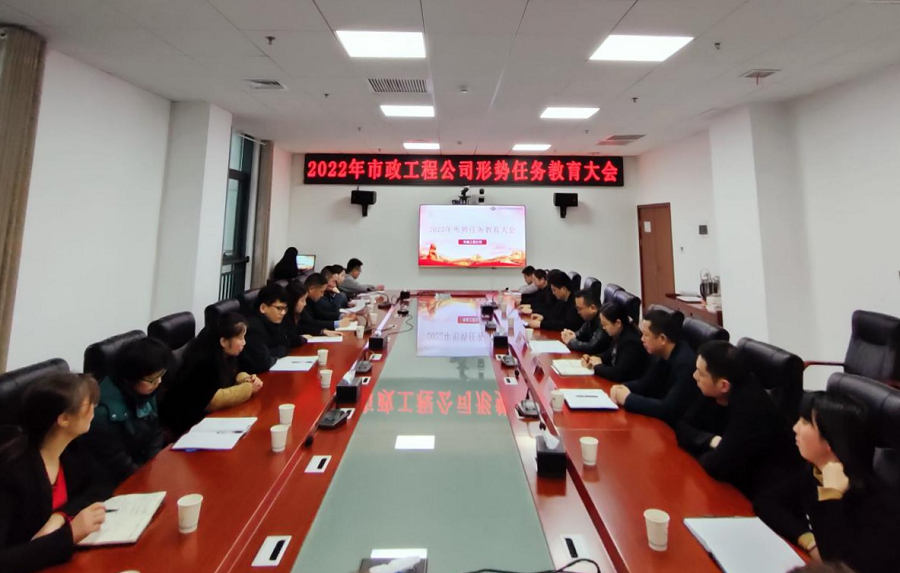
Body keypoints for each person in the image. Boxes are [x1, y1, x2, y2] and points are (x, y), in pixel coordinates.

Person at [754, 391, 900, 573]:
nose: (795, 428)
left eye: (806, 422)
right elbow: (766, 502)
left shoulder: (877, 504)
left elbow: (835, 563)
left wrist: (831, 497)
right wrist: (809, 541)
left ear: (831, 438)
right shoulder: (816, 473)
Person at [0, 373, 109, 573]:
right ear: (64, 419)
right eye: (88, 405)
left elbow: (100, 486)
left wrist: (60, 516)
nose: (94, 409)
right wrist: (70, 534)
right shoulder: (12, 472)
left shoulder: (71, 450)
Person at [675, 341, 805, 499]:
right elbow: (682, 426)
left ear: (724, 385)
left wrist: (697, 446)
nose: (695, 376)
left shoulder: (751, 407)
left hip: (763, 491)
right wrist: (711, 441)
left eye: (701, 373)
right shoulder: (713, 390)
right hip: (734, 478)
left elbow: (717, 466)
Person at [83, 337, 170, 488]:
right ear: (130, 377)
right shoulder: (102, 413)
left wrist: (154, 464)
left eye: (161, 375)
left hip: (142, 469)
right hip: (112, 481)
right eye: (152, 379)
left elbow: (155, 432)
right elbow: (117, 461)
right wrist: (145, 478)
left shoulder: (145, 390)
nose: (158, 382)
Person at [160, 312, 264, 436]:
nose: (244, 342)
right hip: (186, 425)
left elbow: (233, 373)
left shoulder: (226, 354)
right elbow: (212, 400)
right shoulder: (204, 362)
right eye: (240, 338)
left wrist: (246, 379)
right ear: (223, 341)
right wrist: (248, 388)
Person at [609, 309, 698, 426]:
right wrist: (623, 387)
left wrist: (628, 399)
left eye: (646, 335)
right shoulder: (664, 354)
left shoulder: (685, 364)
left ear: (662, 339)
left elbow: (667, 409)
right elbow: (645, 384)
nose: (642, 339)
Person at [239, 283, 300, 374]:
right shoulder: (253, 327)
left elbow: (287, 343)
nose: (283, 313)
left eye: (285, 308)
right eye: (279, 308)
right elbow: (263, 362)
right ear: (263, 308)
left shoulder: (274, 321)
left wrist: (272, 352)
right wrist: (277, 352)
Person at [581, 302, 649, 382]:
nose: (603, 328)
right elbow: (609, 354)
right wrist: (592, 358)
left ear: (618, 323)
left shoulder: (631, 343)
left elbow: (617, 374)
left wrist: (597, 366)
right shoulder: (619, 334)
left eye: (605, 324)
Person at [561, 289, 608, 354]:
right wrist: (570, 334)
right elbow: (581, 333)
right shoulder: (590, 318)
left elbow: (592, 347)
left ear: (592, 308)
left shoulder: (603, 321)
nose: (578, 312)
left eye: (580, 309)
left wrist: (571, 341)